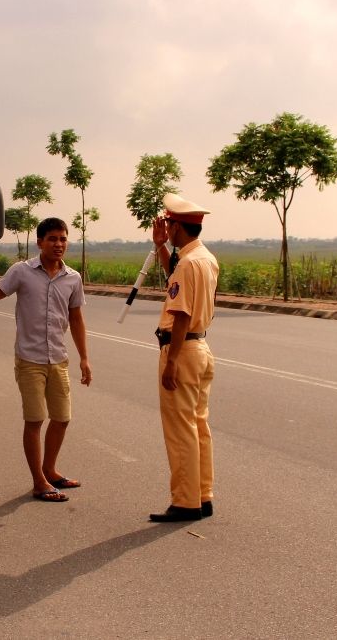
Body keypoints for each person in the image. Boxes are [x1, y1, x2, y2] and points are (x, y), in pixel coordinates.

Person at [0, 217, 92, 503]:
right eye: (52, 239)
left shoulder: (72, 278)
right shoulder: (22, 272)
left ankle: (49, 470)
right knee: (35, 420)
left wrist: (84, 359)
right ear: (39, 242)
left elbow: (76, 318)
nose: (58, 244)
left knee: (62, 418)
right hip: (30, 360)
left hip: (59, 359)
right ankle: (39, 482)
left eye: (63, 238)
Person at [148, 193, 220, 522]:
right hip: (201, 349)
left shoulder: (189, 263)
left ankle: (185, 502)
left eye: (169, 224)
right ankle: (202, 495)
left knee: (180, 430)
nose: (167, 228)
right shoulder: (204, 258)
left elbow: (180, 313)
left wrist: (172, 360)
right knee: (198, 426)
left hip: (183, 349)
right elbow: (175, 279)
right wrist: (162, 245)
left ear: (177, 225)